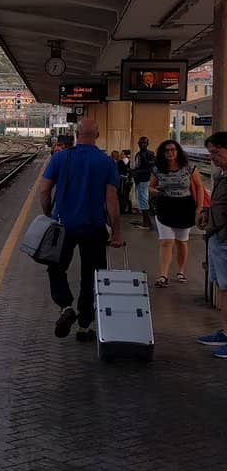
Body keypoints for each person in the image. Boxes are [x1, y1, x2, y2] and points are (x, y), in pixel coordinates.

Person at [39, 116, 122, 342]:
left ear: (76, 134)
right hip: (94, 228)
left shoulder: (60, 158)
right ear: (96, 135)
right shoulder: (107, 162)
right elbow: (111, 200)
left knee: (56, 269)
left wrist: (48, 213)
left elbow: (44, 191)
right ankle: (84, 327)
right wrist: (116, 232)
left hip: (63, 226)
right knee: (91, 276)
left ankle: (66, 306)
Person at [148, 140, 203, 287]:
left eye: (173, 149)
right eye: (166, 150)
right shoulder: (157, 169)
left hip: (185, 207)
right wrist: (156, 192)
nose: (170, 153)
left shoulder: (188, 167)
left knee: (182, 241)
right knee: (166, 241)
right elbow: (150, 187)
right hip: (165, 206)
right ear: (162, 153)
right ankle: (163, 275)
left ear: (178, 151)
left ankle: (181, 271)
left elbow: (199, 187)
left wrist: (199, 208)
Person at [198, 131, 227, 355]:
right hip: (217, 237)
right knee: (222, 288)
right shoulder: (221, 175)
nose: (212, 158)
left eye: (216, 153)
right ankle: (225, 332)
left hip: (224, 238)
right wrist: (207, 212)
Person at [131, 135, 155, 229]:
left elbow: (151, 168)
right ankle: (145, 221)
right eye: (140, 143)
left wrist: (137, 171)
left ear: (147, 144)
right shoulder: (139, 154)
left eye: (144, 143)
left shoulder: (149, 154)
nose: (142, 144)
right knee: (141, 200)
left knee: (144, 200)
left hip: (144, 180)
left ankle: (147, 223)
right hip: (139, 180)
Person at [118, 149, 133, 214]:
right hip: (126, 180)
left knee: (123, 194)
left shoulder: (122, 162)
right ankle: (126, 209)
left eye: (122, 154)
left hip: (124, 180)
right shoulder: (130, 162)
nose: (121, 155)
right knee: (126, 195)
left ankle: (123, 209)